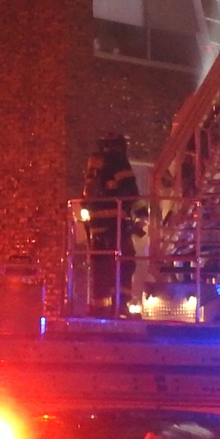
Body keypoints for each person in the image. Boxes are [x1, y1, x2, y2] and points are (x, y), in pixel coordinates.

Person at [81, 135, 143, 316]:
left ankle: (98, 308)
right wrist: (142, 213)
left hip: (96, 224)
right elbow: (130, 190)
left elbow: (88, 195)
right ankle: (121, 305)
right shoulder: (118, 162)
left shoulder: (94, 164)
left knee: (101, 266)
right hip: (114, 223)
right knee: (126, 262)